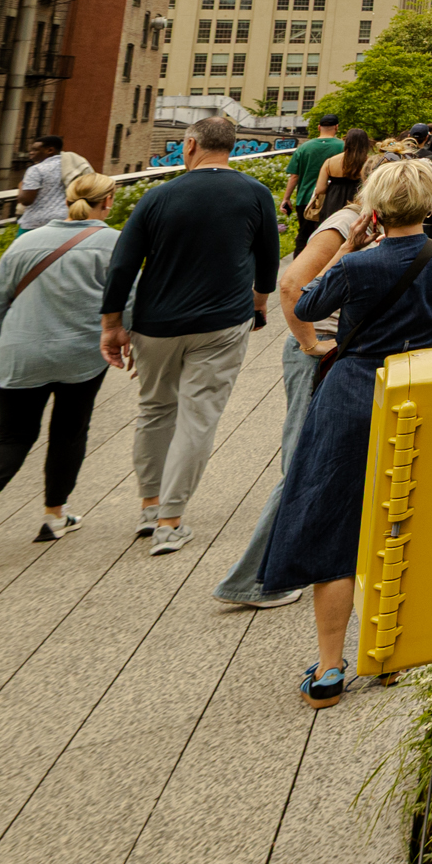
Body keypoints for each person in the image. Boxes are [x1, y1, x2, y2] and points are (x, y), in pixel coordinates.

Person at [257, 157, 432, 705]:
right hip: (419, 390)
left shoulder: (357, 265)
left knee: (334, 524)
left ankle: (330, 670)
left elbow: (306, 301)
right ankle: (393, 654)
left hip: (352, 394)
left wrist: (349, 248)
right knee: (404, 519)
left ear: (374, 208)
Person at [212, 155, 400, 610]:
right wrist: (310, 342)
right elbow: (292, 284)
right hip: (321, 354)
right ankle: (254, 581)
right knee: (301, 464)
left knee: (311, 462)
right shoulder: (344, 224)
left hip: (341, 352)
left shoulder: (377, 224)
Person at [98, 114, 280, 558]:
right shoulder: (255, 193)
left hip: (156, 325)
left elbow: (122, 265)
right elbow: (268, 261)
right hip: (221, 324)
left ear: (191, 145)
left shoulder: (158, 196)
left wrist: (112, 325)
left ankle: (149, 506)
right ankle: (171, 522)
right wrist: (258, 305)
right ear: (231, 147)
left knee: (155, 410)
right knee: (198, 417)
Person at [0, 167, 124, 558]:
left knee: (12, 435)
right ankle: (53, 515)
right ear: (108, 201)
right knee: (69, 433)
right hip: (80, 355)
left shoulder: (26, 242)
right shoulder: (115, 243)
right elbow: (126, 299)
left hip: (21, 352)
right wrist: (126, 338)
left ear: (67, 200)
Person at [284, 115, 345, 228]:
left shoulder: (303, 147)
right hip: (333, 200)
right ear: (336, 127)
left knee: (305, 235)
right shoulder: (344, 147)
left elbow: (294, 177)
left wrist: (286, 198)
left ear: (319, 127)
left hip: (306, 200)